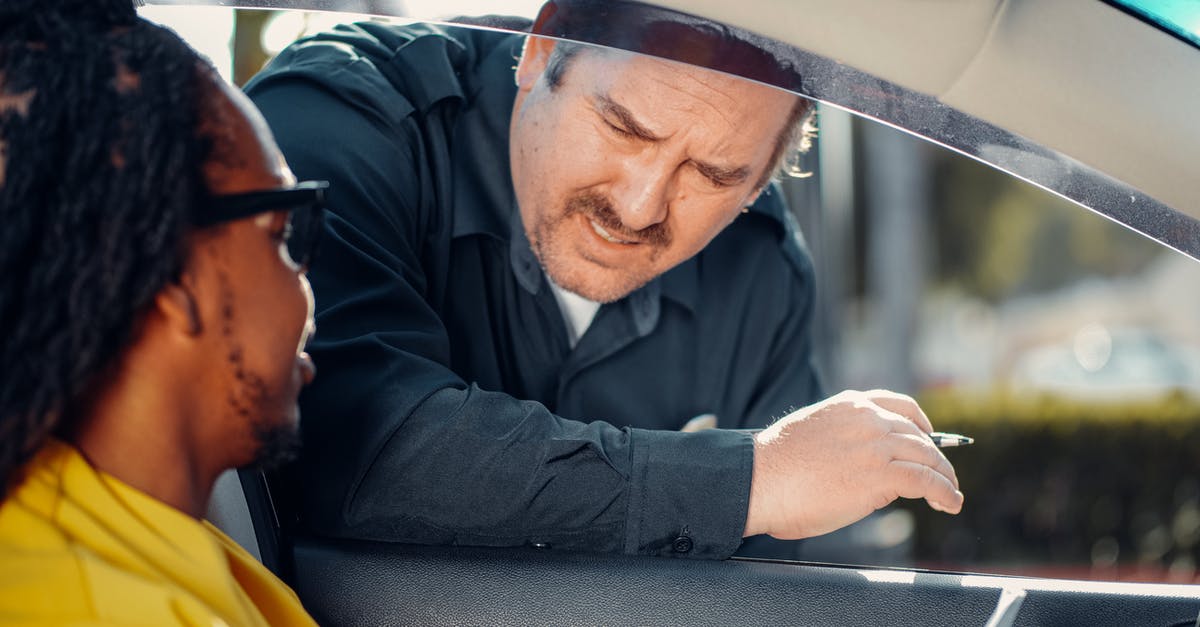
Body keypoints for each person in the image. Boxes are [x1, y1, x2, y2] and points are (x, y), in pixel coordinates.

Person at [246, 0, 964, 559]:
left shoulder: (762, 274)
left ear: (762, 179)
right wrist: (746, 478)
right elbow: (362, 450)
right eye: (624, 127)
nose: (639, 204)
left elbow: (763, 591)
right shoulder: (339, 123)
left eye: (713, 175)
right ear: (542, 47)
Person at [0, 2, 322, 624]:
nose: (308, 290)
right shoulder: (103, 608)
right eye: (282, 236)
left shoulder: (136, 527)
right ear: (174, 276)